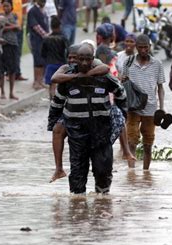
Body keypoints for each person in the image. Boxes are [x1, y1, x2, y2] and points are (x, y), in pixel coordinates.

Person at [48, 45, 127, 194]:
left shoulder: (104, 76)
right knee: (78, 172)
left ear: (93, 59)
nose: (84, 63)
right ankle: (78, 207)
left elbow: (121, 93)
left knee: (103, 171)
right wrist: (53, 124)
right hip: (77, 133)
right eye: (81, 59)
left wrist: (121, 115)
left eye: (87, 59)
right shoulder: (67, 78)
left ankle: (102, 204)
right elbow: (57, 103)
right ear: (76, 59)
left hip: (101, 132)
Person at [122, 34, 165, 170]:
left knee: (148, 143)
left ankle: (146, 172)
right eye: (140, 48)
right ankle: (132, 172)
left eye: (146, 48)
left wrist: (162, 108)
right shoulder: (128, 62)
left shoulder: (157, 64)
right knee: (132, 141)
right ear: (136, 48)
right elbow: (123, 85)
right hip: (133, 108)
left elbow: (160, 87)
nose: (143, 51)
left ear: (150, 47)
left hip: (151, 108)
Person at [41, 16, 67, 99]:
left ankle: (52, 100)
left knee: (51, 84)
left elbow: (43, 53)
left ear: (51, 27)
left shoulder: (46, 39)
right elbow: (68, 51)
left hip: (50, 63)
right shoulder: (63, 38)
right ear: (59, 26)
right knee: (62, 83)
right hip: (61, 63)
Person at [27, 0, 49, 90]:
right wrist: (46, 35)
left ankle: (41, 81)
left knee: (43, 60)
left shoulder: (43, 10)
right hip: (36, 39)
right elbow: (35, 26)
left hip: (43, 40)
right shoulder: (33, 11)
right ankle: (36, 82)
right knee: (38, 61)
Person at [1, 0, 20, 100]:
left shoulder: (14, 16)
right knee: (2, 70)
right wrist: (12, 26)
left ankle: (11, 93)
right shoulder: (0, 17)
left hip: (13, 44)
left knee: (12, 70)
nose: (6, 8)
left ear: (11, 7)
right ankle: (2, 92)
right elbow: (1, 29)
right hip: (3, 44)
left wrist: (8, 26)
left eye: (7, 6)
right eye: (4, 6)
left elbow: (18, 27)